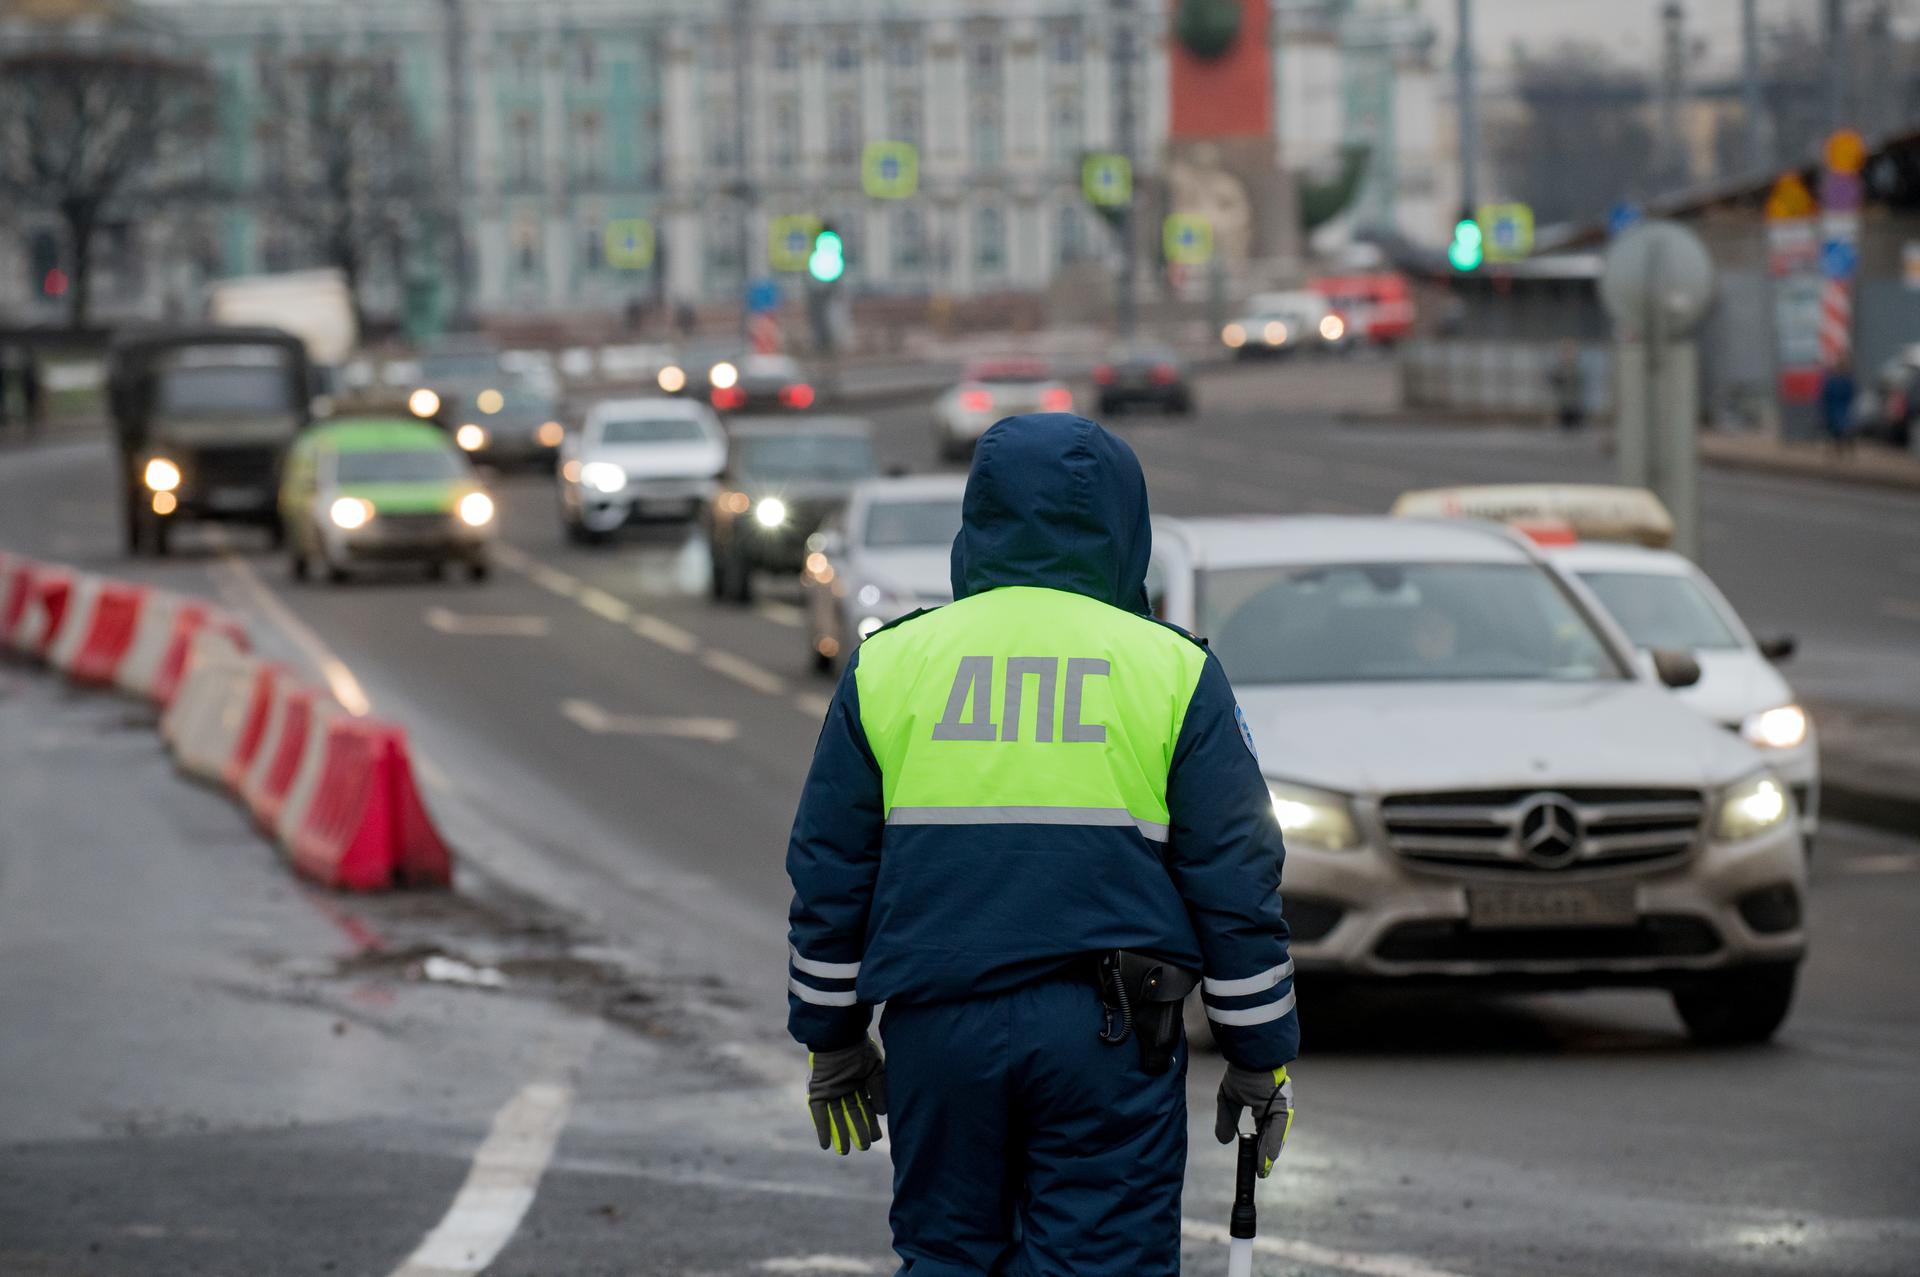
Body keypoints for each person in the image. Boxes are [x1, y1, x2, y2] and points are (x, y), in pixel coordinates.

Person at [786, 413, 1299, 1276]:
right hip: (1109, 1035)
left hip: (937, 1025)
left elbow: (831, 869)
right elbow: (1237, 881)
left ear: (977, 520)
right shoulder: (1173, 673)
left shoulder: (891, 665)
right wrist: (1260, 1054)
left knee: (948, 1255)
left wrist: (832, 1037)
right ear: (1125, 526)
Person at [1820, 357, 1856, 456]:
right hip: (1836, 409)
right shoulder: (1837, 381)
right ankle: (1840, 450)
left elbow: (1849, 396)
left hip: (1839, 409)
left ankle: (1842, 449)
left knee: (1840, 430)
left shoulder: (1842, 381)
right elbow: (1826, 396)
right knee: (1837, 431)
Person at [1550, 340, 1585, 431]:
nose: (1567, 355)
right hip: (1563, 403)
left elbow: (1580, 385)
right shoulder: (1559, 369)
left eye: (1569, 352)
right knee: (1565, 425)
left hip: (1575, 403)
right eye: (1565, 352)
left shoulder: (1577, 369)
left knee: (1576, 425)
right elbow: (1554, 382)